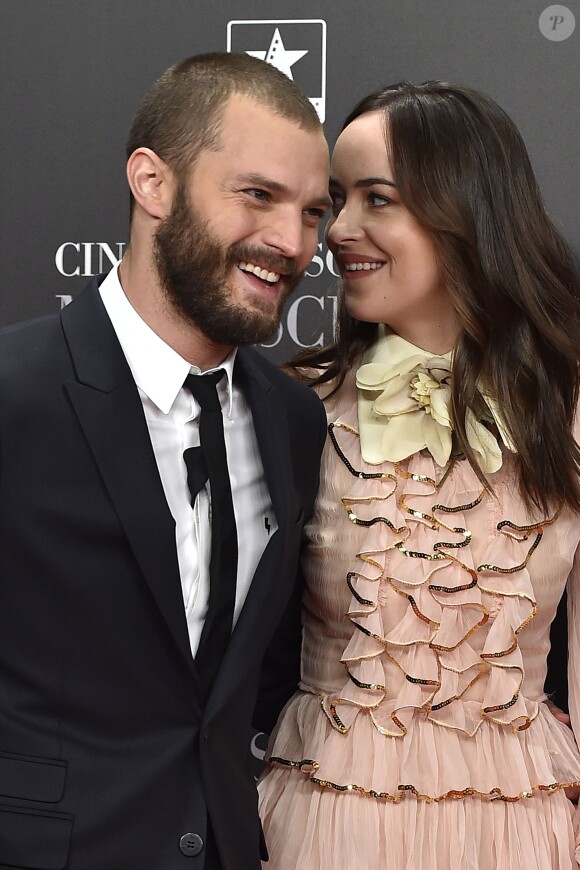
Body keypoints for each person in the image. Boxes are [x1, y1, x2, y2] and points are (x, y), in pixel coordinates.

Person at [0, 52, 331, 870]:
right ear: (153, 183)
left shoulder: (293, 419)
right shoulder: (14, 395)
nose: (291, 243)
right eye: (257, 195)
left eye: (314, 213)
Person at [258, 80, 580, 869]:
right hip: (329, 822)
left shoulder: (568, 407)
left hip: (520, 827)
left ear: (466, 213)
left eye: (377, 198)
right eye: (339, 200)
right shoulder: (298, 406)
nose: (339, 230)